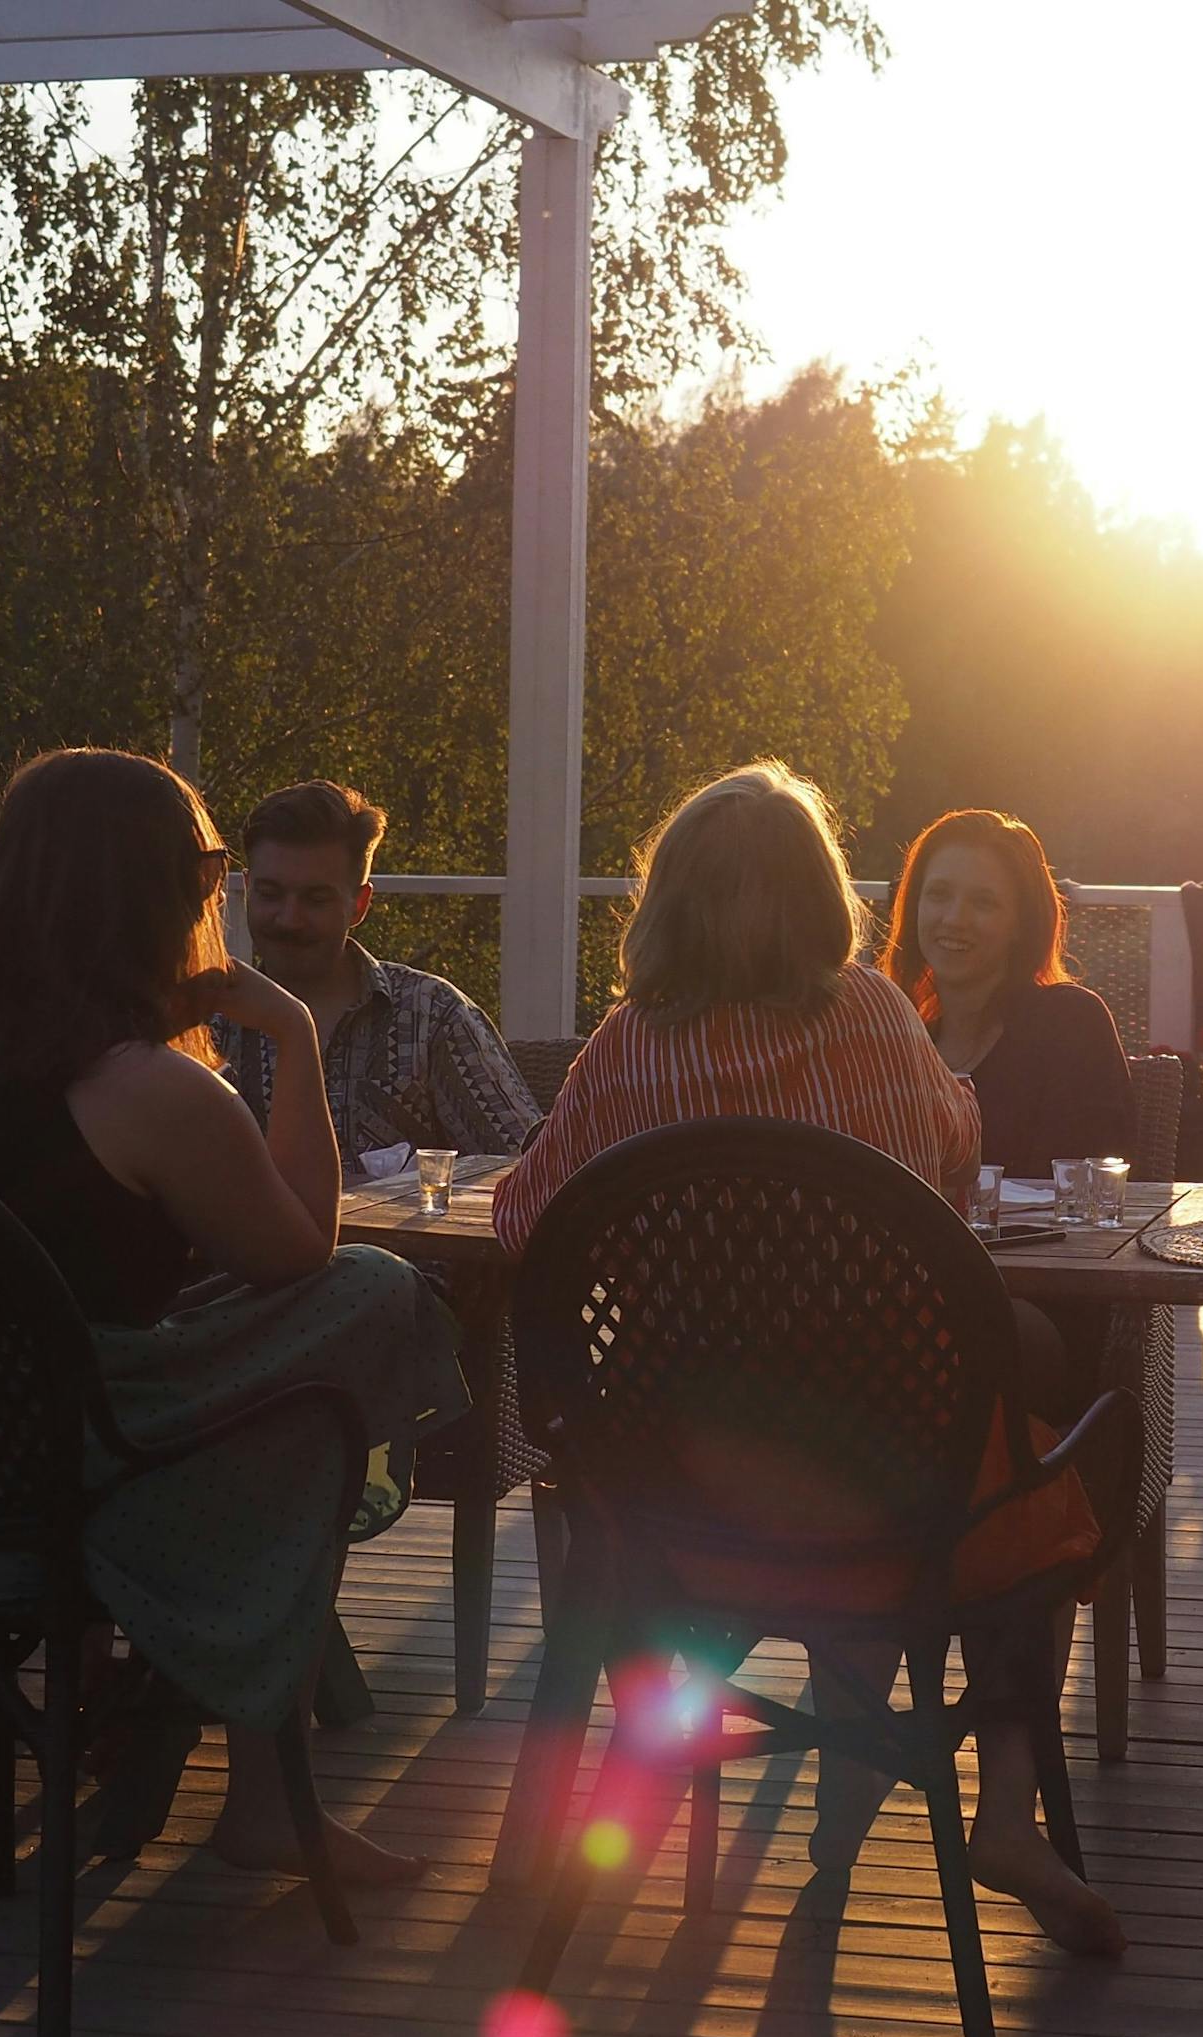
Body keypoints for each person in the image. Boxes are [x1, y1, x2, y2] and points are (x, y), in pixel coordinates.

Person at [497, 762, 1126, 1958]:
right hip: (904, 1494)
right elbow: (957, 1146)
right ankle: (1002, 1813)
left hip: (687, 1501)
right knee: (1036, 1484)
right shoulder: (879, 1018)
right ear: (822, 898)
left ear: (668, 903)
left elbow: (529, 1224)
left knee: (974, 1471)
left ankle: (641, 1794)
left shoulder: (624, 1057)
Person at [0, 748, 472, 1887]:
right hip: (76, 1469)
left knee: (291, 1411)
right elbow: (300, 1254)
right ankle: (238, 1766)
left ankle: (163, 1704)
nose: (219, 891)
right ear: (157, 890)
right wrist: (290, 1037)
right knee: (356, 1336)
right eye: (211, 865)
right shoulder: (147, 1087)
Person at [222, 779, 537, 1162]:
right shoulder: (206, 1023)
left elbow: (530, 1170)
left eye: (315, 899)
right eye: (270, 895)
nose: (289, 919)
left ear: (359, 905)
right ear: (247, 889)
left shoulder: (432, 1015)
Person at [883, 808, 1130, 1177]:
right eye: (938, 894)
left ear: (1021, 923)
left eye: (983, 902)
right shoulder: (894, 1042)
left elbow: (1082, 1192)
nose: (954, 918)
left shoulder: (1071, 1026)